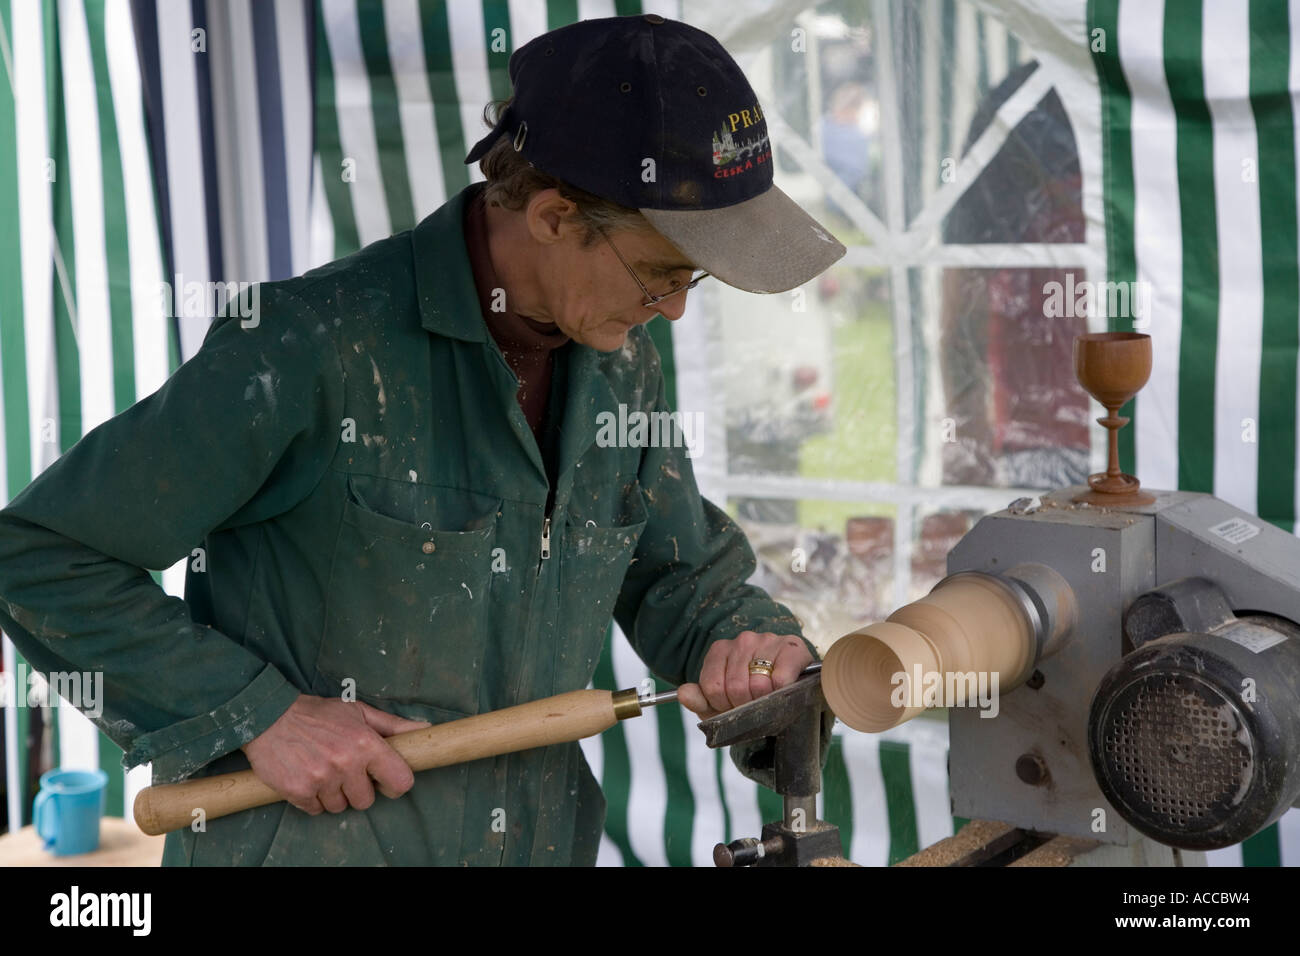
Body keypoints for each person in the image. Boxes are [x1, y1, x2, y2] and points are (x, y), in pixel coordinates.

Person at [0, 14, 845, 865]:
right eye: (660, 273)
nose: (676, 309)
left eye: (690, 278)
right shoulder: (310, 345)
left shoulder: (619, 361)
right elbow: (41, 555)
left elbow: (677, 572)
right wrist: (259, 715)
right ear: (554, 217)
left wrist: (749, 644)